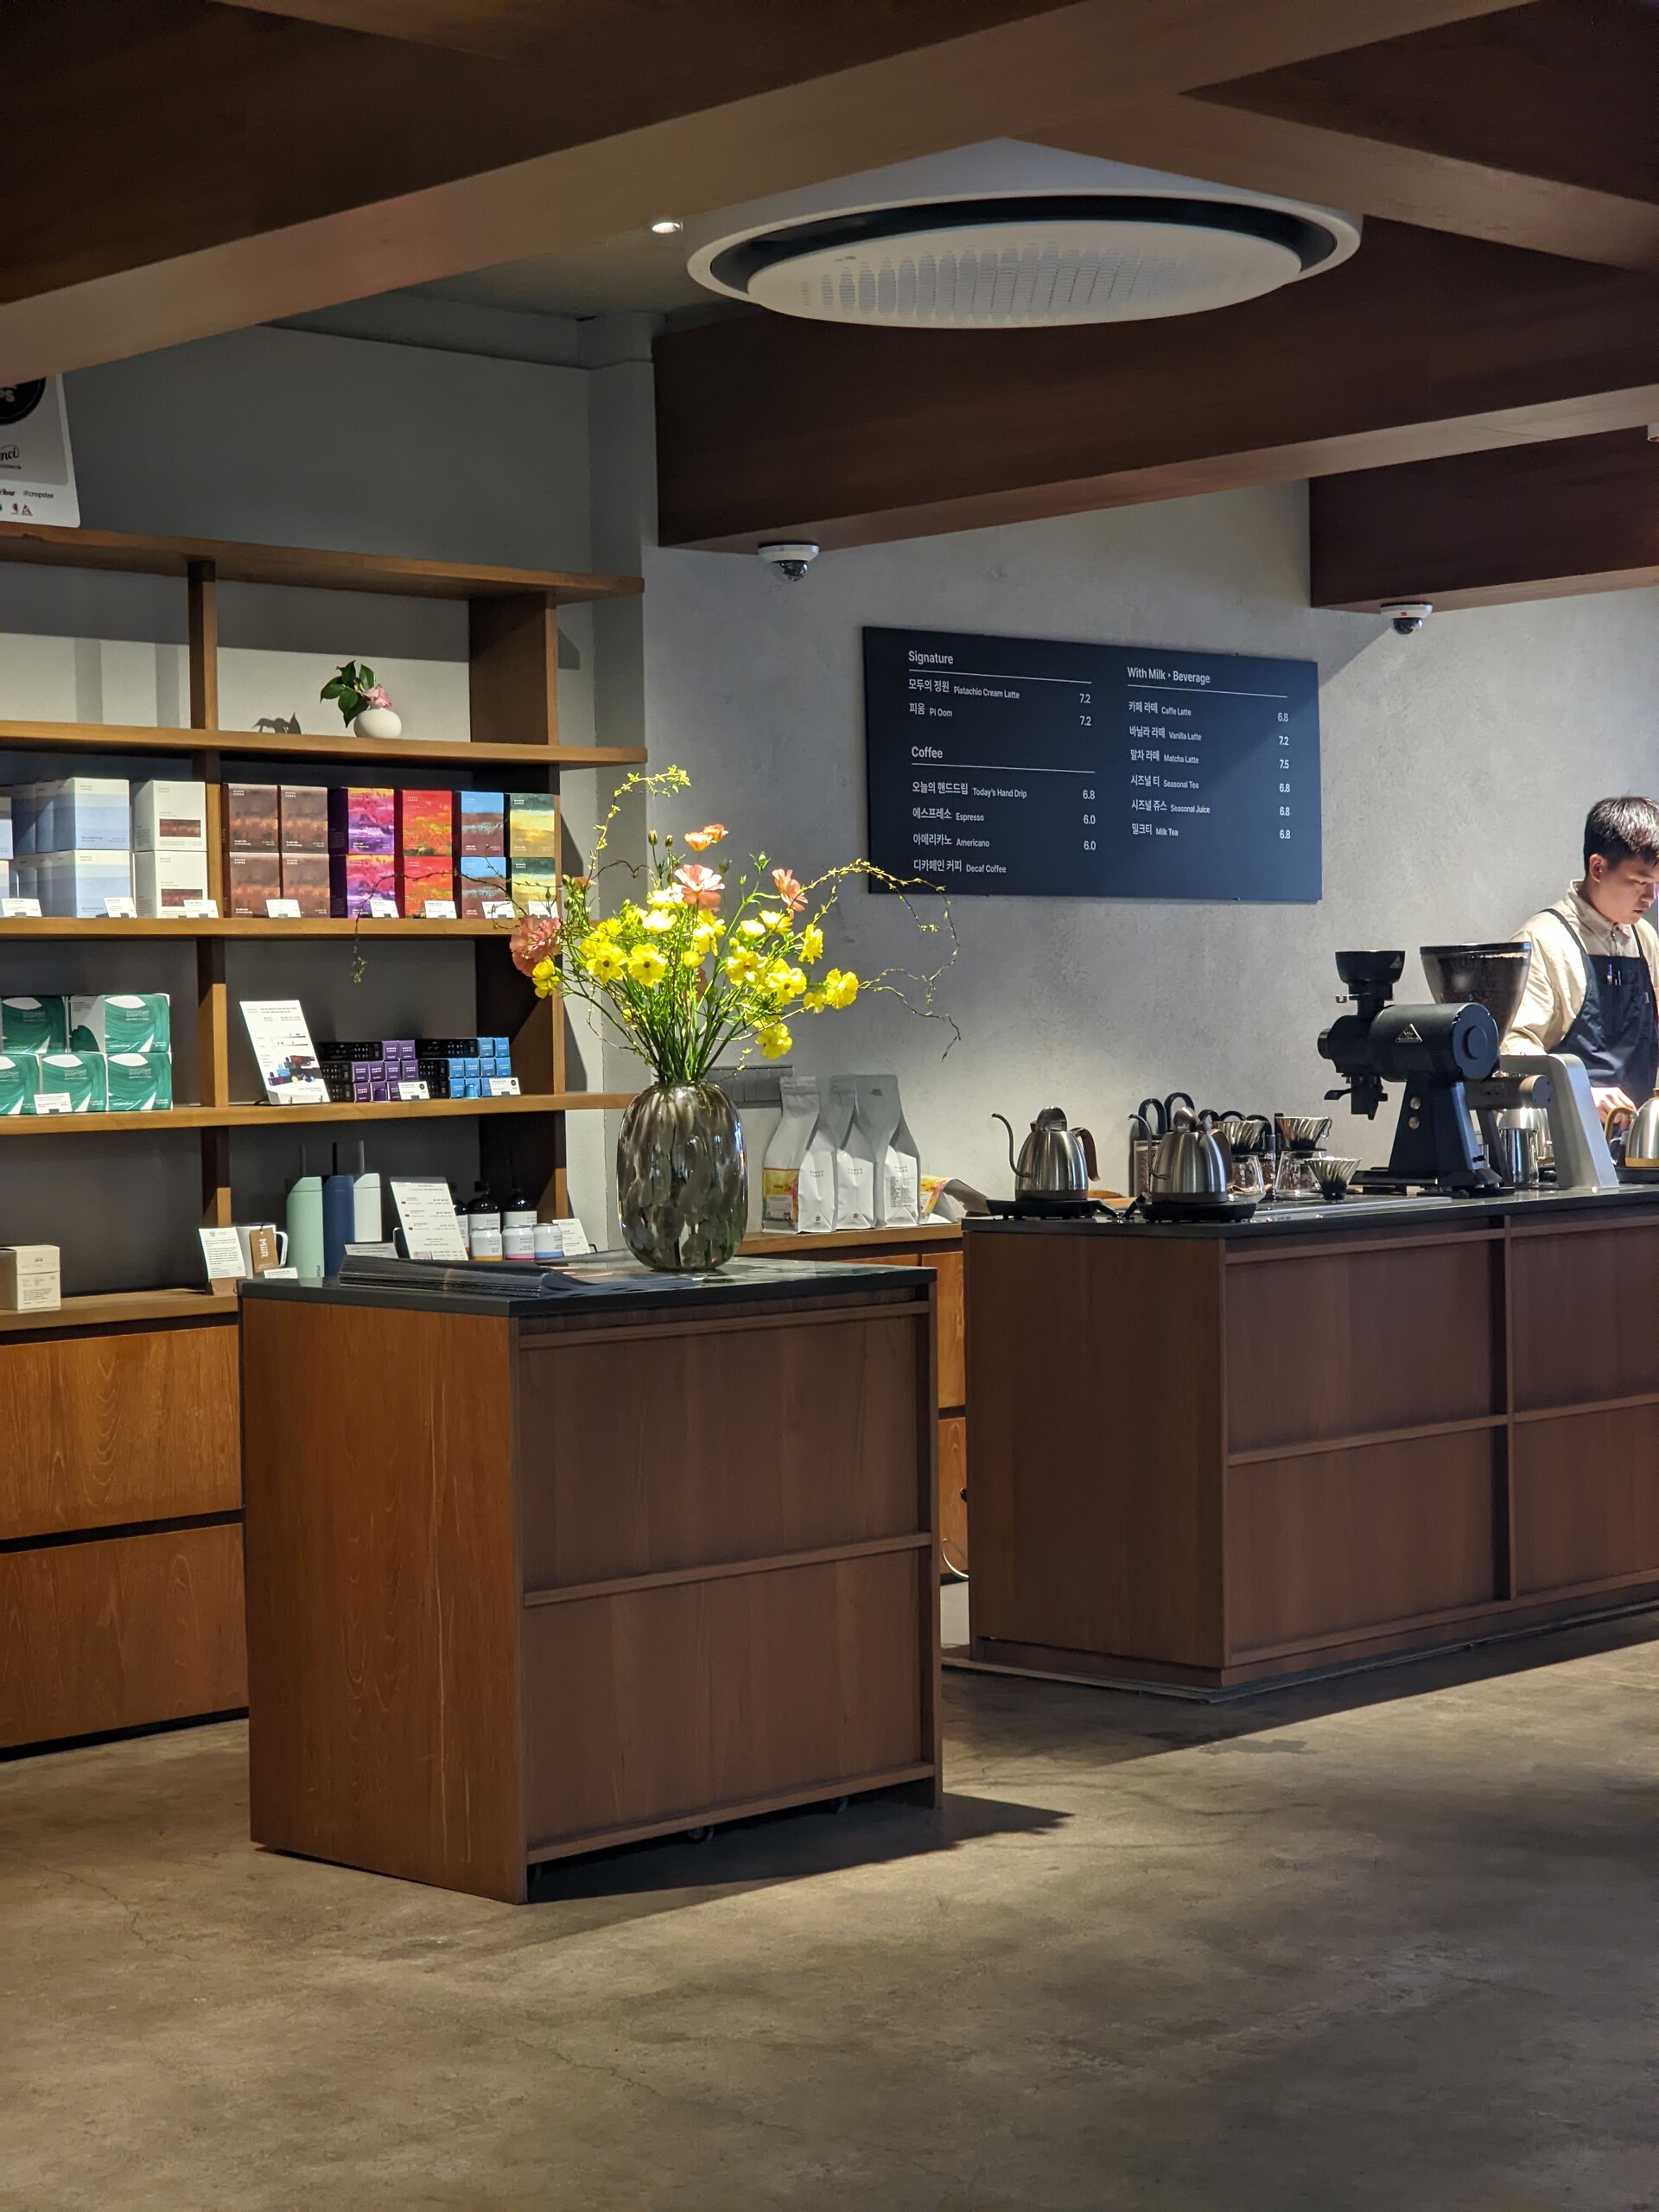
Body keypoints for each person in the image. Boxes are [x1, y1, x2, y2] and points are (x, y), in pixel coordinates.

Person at [1505, 795, 1659, 1118]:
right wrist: (1579, 1093)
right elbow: (1512, 1048)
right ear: (1597, 867)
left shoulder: (1645, 938)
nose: (1651, 897)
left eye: (1657, 884)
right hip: (1567, 1133)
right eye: (1640, 882)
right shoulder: (1542, 941)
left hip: (1638, 1137)